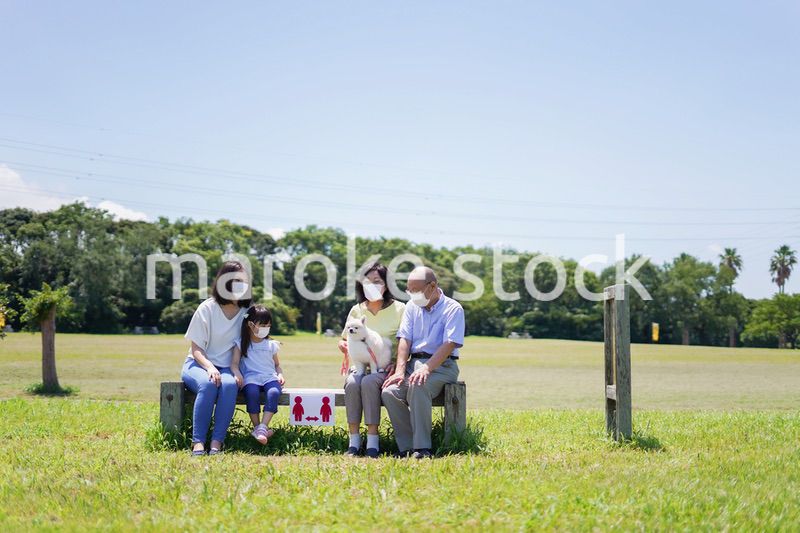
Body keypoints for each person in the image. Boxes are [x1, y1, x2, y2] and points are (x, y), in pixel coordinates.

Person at [381, 266, 464, 459]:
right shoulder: (411, 306)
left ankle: (422, 448)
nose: (412, 295)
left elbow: (450, 344)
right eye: (409, 290)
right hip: (413, 364)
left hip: (443, 365)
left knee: (419, 386)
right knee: (389, 392)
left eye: (415, 290)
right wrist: (400, 370)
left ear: (432, 286)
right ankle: (407, 447)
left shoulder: (453, 308)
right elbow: (404, 340)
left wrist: (427, 367)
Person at [181, 261, 251, 456]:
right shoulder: (207, 308)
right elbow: (196, 349)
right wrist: (210, 368)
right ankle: (198, 442)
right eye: (236, 280)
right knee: (209, 385)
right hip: (198, 365)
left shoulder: (247, 311)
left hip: (230, 367)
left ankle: (216, 443)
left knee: (229, 385)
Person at [338, 262, 405, 458]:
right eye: (367, 282)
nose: (372, 285)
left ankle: (373, 442)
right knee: (351, 384)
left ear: (387, 285)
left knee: (368, 383)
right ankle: (353, 442)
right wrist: (341, 345)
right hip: (359, 366)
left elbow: (407, 342)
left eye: (377, 281)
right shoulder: (356, 310)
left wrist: (399, 363)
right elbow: (344, 339)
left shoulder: (400, 309)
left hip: (385, 368)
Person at [232, 304, 285, 446]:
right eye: (262, 325)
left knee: (274, 392)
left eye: (268, 325)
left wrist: (280, 375)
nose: (266, 328)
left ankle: (262, 427)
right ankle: (257, 427)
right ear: (250, 324)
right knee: (252, 393)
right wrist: (237, 374)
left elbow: (277, 365)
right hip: (251, 378)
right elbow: (234, 364)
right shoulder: (241, 344)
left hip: (269, 377)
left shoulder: (271, 344)